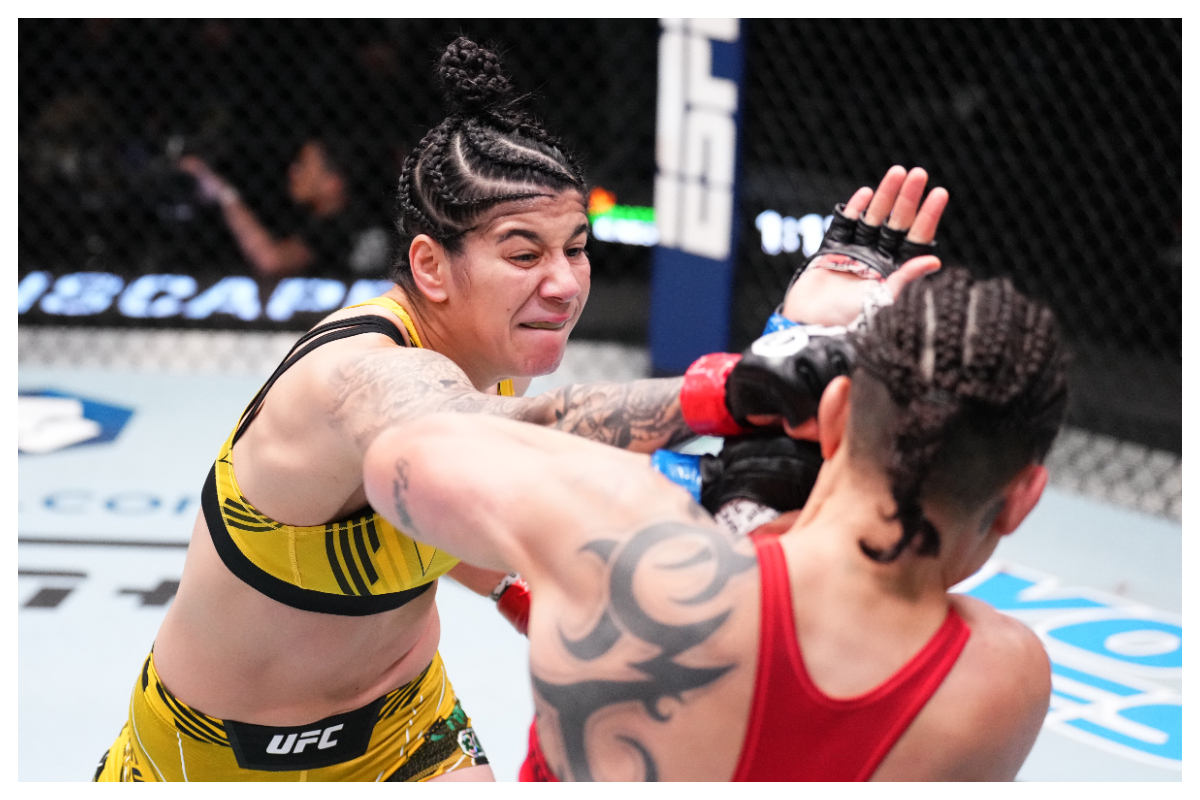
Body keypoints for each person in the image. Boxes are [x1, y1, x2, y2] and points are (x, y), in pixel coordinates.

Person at [95, 36, 933, 783]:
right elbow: (474, 443)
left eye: (577, 249)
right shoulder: (351, 378)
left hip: (405, 732)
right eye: (524, 254)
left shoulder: (494, 354)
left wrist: (512, 587)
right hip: (203, 762)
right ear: (431, 265)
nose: (564, 284)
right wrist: (747, 383)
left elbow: (447, 501)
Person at [362, 263, 1070, 781]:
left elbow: (401, 457)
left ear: (831, 415)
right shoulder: (1005, 680)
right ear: (1023, 497)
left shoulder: (622, 546)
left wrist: (730, 391)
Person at [179, 136, 391, 279]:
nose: (293, 170)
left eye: (303, 165)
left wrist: (225, 193)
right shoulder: (365, 219)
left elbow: (272, 261)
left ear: (332, 182)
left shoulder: (338, 227)